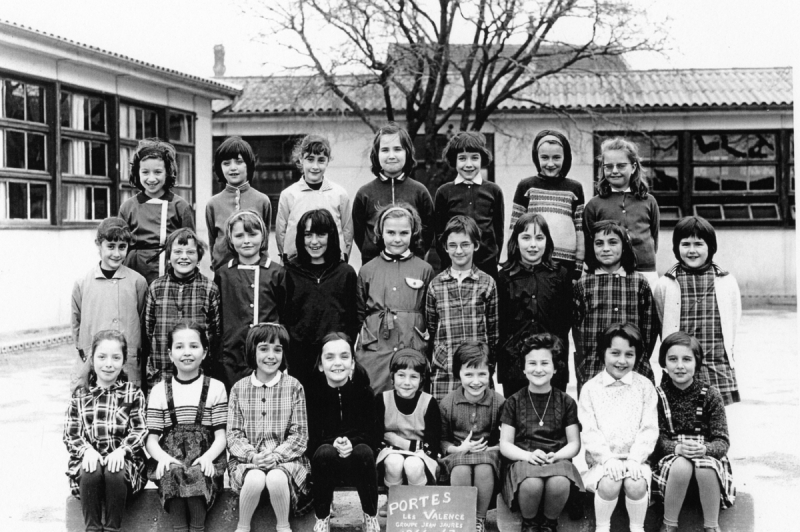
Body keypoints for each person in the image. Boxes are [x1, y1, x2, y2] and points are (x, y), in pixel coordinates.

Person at [227, 323, 311, 532]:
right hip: (247, 461)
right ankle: (242, 526)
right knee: (255, 478)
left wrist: (276, 456)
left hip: (287, 459)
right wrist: (252, 456)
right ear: (252, 351)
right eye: (264, 349)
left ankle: (283, 526)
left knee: (275, 477)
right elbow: (234, 434)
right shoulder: (239, 389)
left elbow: (299, 434)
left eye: (277, 349)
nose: (271, 356)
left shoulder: (294, 386)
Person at [145, 321, 228, 532]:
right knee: (173, 473)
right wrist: (163, 458)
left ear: (205, 352)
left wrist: (208, 457)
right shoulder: (159, 391)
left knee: (198, 474)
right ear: (170, 354)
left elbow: (221, 436)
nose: (187, 352)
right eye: (179, 347)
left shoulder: (216, 388)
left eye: (194, 346)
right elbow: (151, 439)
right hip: (171, 456)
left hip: (205, 457)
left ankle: (198, 528)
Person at [64, 330, 148, 532]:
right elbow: (71, 433)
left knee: (114, 469)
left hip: (124, 468)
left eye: (116, 357)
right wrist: (87, 451)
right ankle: (92, 528)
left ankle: (112, 528)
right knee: (90, 470)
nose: (108, 364)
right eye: (102, 357)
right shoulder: (81, 395)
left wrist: (122, 450)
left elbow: (140, 429)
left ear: (123, 361)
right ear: (92, 359)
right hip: (89, 469)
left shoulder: (133, 394)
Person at [653, 216, 742, 406]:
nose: (692, 250)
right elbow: (661, 320)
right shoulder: (666, 285)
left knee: (720, 425)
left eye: (698, 244)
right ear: (677, 248)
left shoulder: (726, 282)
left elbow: (733, 320)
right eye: (685, 244)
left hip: (717, 365)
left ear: (711, 247)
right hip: (679, 368)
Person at [499, 333, 583, 532]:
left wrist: (557, 455)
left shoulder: (566, 402)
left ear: (555, 368)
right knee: (532, 484)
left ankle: (548, 524)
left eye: (545, 363)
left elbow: (574, 444)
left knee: (560, 482)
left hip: (557, 460)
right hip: (522, 460)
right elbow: (505, 444)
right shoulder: (513, 401)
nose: (538, 369)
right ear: (523, 368)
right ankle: (529, 524)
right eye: (532, 363)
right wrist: (528, 456)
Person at [578, 323, 658, 532]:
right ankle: (602, 527)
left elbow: (649, 429)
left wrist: (635, 458)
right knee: (610, 482)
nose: (622, 361)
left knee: (635, 483)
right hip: (603, 462)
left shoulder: (645, 386)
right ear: (603, 353)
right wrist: (607, 458)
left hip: (635, 461)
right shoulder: (590, 389)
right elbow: (589, 431)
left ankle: (637, 528)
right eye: (615, 353)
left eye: (629, 354)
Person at [652, 332, 735, 532]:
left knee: (705, 466)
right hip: (672, 462)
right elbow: (657, 438)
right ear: (663, 362)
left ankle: (711, 526)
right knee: (681, 465)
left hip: (706, 459)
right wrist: (676, 448)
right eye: (673, 359)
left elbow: (722, 441)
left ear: (697, 363)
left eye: (687, 359)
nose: (680, 365)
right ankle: (669, 523)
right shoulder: (658, 395)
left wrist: (704, 449)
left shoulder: (711, 395)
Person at [355, 203, 434, 393]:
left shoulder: (424, 269)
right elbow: (358, 313)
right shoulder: (367, 270)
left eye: (403, 233)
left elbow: (430, 312)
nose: (397, 239)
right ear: (380, 233)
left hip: (411, 341)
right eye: (391, 233)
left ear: (413, 233)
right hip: (376, 348)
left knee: (411, 394)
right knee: (374, 395)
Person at [306, 333, 380, 532]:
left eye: (344, 356)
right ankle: (322, 517)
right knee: (324, 453)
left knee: (364, 451)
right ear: (320, 365)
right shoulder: (311, 395)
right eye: (329, 357)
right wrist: (334, 443)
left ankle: (370, 516)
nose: (337, 363)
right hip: (325, 464)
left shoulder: (365, 393)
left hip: (358, 462)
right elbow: (310, 437)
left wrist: (351, 442)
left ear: (353, 363)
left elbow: (373, 434)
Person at [573, 220, 658, 393]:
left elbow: (648, 328)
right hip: (594, 366)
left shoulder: (638, 282)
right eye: (599, 243)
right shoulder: (584, 284)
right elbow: (577, 329)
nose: (605, 248)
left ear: (624, 246)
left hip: (632, 366)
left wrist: (637, 357)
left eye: (612, 242)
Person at [497, 214, 571, 397]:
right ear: (516, 241)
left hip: (552, 363)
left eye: (539, 238)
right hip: (515, 365)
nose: (533, 245)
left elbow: (565, 320)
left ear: (547, 241)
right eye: (526, 237)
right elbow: (500, 323)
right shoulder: (504, 277)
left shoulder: (560, 275)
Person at [426, 215, 499, 400]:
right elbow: (432, 329)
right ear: (445, 247)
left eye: (465, 244)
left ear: (475, 245)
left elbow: (493, 332)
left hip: (477, 370)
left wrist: (487, 367)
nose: (459, 250)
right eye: (453, 245)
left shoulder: (487, 283)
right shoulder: (436, 285)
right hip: (445, 372)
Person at [284, 209, 358, 389]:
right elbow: (284, 318)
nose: (314, 242)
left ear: (331, 236)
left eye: (321, 235)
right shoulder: (289, 272)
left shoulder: (345, 273)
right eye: (308, 235)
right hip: (300, 360)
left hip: (334, 360)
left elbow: (353, 320)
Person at [214, 210, 286, 391]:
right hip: (232, 356)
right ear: (230, 239)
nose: (246, 240)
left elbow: (285, 313)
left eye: (252, 234)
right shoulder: (224, 274)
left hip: (268, 353)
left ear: (262, 237)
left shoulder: (276, 272)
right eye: (239, 235)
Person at [72, 217, 147, 386]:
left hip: (128, 366)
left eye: (122, 247)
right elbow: (76, 325)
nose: (116, 253)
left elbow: (143, 323)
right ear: (99, 245)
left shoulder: (138, 282)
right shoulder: (83, 283)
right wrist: (85, 353)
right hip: (94, 366)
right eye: (110, 246)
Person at [439, 342, 505, 532]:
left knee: (484, 466)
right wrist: (458, 449)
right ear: (458, 373)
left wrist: (491, 448)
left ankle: (478, 520)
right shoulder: (448, 403)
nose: (476, 381)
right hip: (458, 454)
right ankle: (463, 519)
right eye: (469, 374)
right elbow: (443, 441)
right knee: (460, 468)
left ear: (490, 373)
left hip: (489, 455)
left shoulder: (499, 402)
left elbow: (508, 439)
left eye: (482, 374)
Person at [143, 228, 221, 387]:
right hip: (162, 371)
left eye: (190, 252)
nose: (184, 257)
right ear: (168, 256)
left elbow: (215, 332)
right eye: (178, 252)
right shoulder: (156, 288)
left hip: (198, 373)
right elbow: (148, 330)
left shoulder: (209, 289)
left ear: (199, 257)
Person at [583, 137, 660, 287]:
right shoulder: (594, 205)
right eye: (609, 167)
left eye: (621, 165)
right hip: (609, 272)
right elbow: (588, 243)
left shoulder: (649, 201)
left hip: (645, 270)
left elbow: (654, 237)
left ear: (633, 167)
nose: (615, 171)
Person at [353, 122, 434, 264]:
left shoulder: (420, 191)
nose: (391, 155)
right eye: (385, 150)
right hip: (374, 266)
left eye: (397, 149)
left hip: (412, 265)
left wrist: (418, 252)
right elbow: (359, 233)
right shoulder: (364, 193)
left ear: (407, 152)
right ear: (376, 154)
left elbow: (428, 231)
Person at [119, 138, 195, 284]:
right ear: (137, 172)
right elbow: (120, 244)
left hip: (170, 271)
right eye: (145, 172)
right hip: (135, 270)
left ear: (167, 172)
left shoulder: (180, 206)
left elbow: (190, 246)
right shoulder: (128, 207)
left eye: (158, 172)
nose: (151, 178)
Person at [510, 130, 584, 279]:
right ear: (537, 158)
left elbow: (579, 228)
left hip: (566, 263)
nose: (550, 163)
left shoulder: (574, 188)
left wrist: (579, 265)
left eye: (556, 157)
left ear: (565, 157)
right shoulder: (526, 186)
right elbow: (514, 227)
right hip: (533, 260)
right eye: (544, 157)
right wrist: (512, 260)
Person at [433, 131, 504, 279]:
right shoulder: (444, 192)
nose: (469, 164)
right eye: (462, 158)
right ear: (454, 160)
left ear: (482, 159)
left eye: (474, 158)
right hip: (453, 266)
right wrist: (449, 260)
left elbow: (498, 232)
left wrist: (493, 260)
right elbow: (439, 233)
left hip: (487, 267)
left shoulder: (493, 190)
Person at [276, 134, 353, 262]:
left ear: (328, 161)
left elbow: (347, 233)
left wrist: (342, 260)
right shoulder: (288, 195)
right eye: (310, 159)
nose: (315, 166)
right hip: (297, 267)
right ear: (301, 159)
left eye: (321, 160)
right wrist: (287, 260)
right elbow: (281, 234)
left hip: (331, 266)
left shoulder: (339, 194)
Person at [375, 349, 441, 487]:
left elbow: (433, 445)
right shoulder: (382, 400)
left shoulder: (429, 403)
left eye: (413, 377)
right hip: (389, 455)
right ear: (392, 377)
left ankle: (417, 502)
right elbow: (376, 437)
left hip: (421, 457)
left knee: (413, 464)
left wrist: (401, 442)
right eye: (401, 375)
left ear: (422, 379)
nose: (407, 382)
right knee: (394, 461)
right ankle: (394, 501)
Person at [206, 136, 272, 270]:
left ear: (248, 164)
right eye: (226, 163)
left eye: (239, 161)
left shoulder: (262, 200)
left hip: (255, 272)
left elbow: (264, 243)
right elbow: (213, 242)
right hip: (223, 273)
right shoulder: (213, 204)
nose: (233, 168)